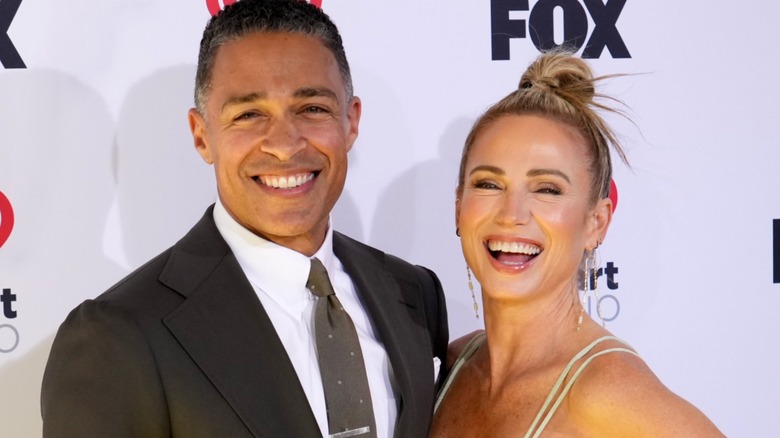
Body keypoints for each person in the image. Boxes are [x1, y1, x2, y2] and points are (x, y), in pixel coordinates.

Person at [40, 1, 448, 437]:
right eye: (249, 115)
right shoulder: (118, 334)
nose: (285, 144)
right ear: (202, 136)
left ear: (350, 122)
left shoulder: (412, 293)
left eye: (311, 108)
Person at [429, 52, 723, 437]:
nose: (512, 213)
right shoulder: (451, 364)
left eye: (547, 189)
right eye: (488, 184)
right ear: (458, 208)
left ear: (596, 223)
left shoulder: (611, 393)